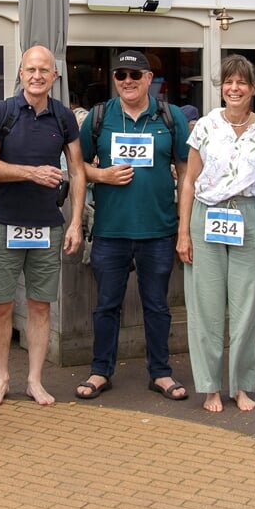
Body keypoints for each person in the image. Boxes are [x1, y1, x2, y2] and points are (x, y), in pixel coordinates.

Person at [76, 50, 190, 401]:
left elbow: (187, 173)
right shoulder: (98, 117)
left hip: (158, 229)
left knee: (157, 305)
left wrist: (184, 228)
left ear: (149, 79)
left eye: (135, 75)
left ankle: (161, 373)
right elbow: (77, 166)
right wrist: (102, 175)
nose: (127, 81)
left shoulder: (170, 117)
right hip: (111, 230)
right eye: (121, 75)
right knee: (106, 305)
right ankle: (100, 371)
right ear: (114, 80)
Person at [0, 45, 84, 407]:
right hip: (3, 222)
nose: (37, 76)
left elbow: (79, 170)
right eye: (30, 69)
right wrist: (29, 173)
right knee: (1, 304)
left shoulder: (64, 116)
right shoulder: (1, 112)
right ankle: (1, 378)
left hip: (47, 225)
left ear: (55, 76)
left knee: (40, 306)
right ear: (20, 74)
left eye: (44, 70)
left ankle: (35, 380)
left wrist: (76, 222)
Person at [177, 54, 255, 413]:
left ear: (253, 88)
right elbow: (188, 181)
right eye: (228, 82)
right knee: (205, 306)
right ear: (221, 87)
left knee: (246, 306)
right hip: (207, 215)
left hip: (249, 214)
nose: (234, 88)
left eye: (241, 83)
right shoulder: (205, 126)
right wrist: (183, 232)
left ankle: (241, 385)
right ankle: (209, 387)